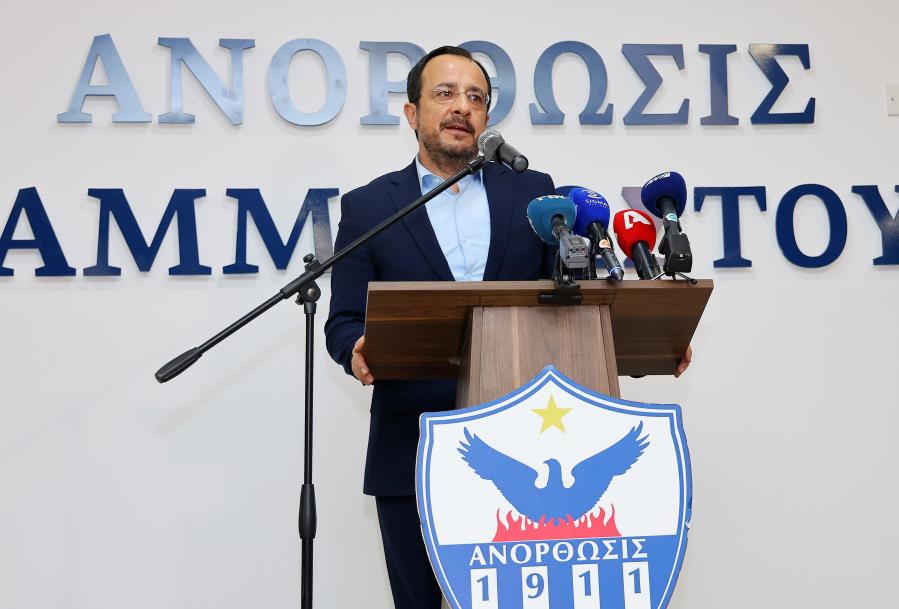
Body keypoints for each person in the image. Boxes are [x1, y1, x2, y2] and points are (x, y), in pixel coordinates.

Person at [324, 46, 691, 609]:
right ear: (412, 112)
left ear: (487, 118)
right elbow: (344, 320)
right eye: (445, 93)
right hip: (411, 446)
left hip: (532, 447)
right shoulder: (371, 207)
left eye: (475, 97)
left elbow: (576, 304)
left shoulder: (535, 195)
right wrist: (356, 346)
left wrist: (647, 339)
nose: (461, 107)